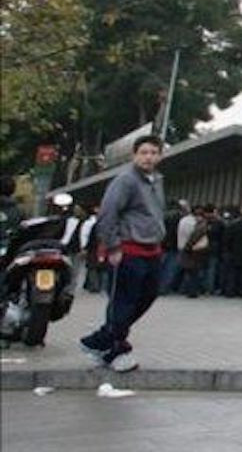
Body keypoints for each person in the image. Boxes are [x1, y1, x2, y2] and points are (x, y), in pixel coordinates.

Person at [79, 135, 166, 371]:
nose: (149, 157)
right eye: (144, 152)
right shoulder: (125, 180)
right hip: (128, 249)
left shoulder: (157, 180)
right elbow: (108, 214)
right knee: (123, 302)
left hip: (153, 250)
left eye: (153, 152)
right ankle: (115, 348)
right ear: (134, 155)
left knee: (148, 296)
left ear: (160, 155)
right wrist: (113, 246)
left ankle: (99, 340)